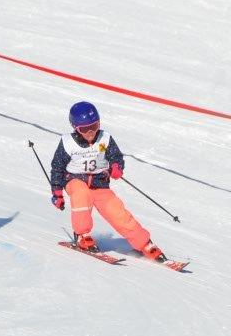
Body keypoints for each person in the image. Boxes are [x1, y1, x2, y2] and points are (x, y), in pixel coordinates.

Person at [50, 101, 167, 261]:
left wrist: (116, 167)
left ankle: (144, 243)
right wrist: (57, 193)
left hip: (99, 184)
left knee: (117, 211)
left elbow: (115, 156)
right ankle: (82, 235)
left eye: (94, 126)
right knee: (81, 194)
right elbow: (57, 167)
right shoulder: (68, 143)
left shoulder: (104, 139)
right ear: (75, 128)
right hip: (75, 180)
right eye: (84, 129)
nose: (91, 132)